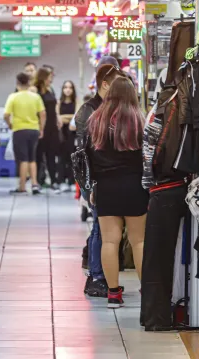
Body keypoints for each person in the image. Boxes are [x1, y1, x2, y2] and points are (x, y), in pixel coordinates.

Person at [86, 74, 147, 309]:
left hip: (106, 186)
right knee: (139, 241)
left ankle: (113, 293)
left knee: (109, 241)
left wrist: (92, 185)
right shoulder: (139, 120)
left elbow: (88, 156)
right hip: (134, 185)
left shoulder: (95, 120)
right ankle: (146, 291)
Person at [76, 58, 124, 298]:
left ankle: (100, 274)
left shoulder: (106, 109)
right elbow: (87, 152)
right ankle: (97, 277)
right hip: (93, 178)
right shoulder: (90, 111)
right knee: (99, 228)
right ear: (104, 84)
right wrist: (91, 183)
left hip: (102, 177)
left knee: (104, 229)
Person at [4, 73, 46, 194]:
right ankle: (34, 184)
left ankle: (22, 186)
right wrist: (41, 128)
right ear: (28, 83)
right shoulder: (35, 97)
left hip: (19, 130)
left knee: (23, 159)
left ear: (17, 83)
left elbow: (6, 115)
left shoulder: (13, 97)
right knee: (32, 158)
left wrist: (10, 124)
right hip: (33, 129)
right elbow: (42, 114)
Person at [35, 67, 61, 193]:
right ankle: (38, 181)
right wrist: (40, 127)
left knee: (52, 154)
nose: (51, 79)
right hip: (41, 126)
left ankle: (53, 180)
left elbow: (54, 106)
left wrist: (58, 118)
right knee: (39, 155)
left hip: (52, 126)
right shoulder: (36, 91)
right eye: (50, 76)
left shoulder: (51, 89)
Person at [58, 80, 78, 192]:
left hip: (73, 134)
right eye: (65, 87)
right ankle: (61, 181)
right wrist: (67, 118)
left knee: (72, 158)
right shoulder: (59, 102)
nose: (68, 89)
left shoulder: (76, 102)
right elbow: (58, 118)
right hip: (61, 134)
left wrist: (64, 117)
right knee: (61, 158)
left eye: (70, 87)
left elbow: (76, 117)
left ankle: (71, 181)